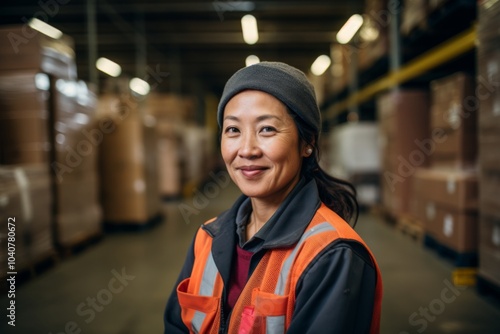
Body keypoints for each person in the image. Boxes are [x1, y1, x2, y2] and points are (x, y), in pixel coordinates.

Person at [164, 62, 383, 334]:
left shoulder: (332, 255)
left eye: (266, 129)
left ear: (308, 142)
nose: (246, 149)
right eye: (233, 130)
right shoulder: (208, 238)